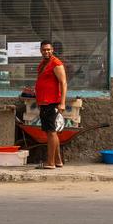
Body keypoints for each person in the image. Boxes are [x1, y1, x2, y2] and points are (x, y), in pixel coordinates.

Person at [34, 40, 67, 169]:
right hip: (44, 102)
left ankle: (50, 162)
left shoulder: (56, 63)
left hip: (52, 102)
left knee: (51, 132)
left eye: (48, 49)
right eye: (44, 50)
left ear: (52, 50)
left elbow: (63, 83)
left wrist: (62, 103)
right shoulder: (43, 63)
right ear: (40, 51)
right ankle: (58, 161)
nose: (46, 52)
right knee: (51, 132)